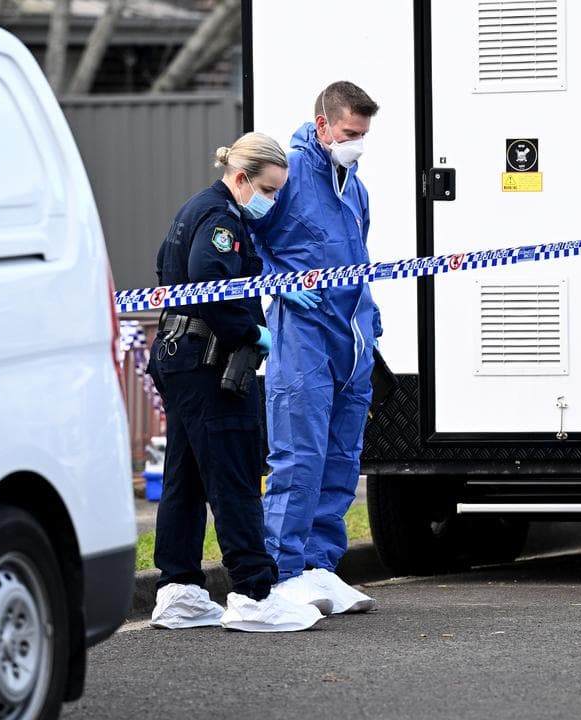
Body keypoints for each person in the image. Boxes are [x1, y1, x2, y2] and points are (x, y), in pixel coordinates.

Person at [147, 132, 323, 633]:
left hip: (181, 356)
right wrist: (252, 331)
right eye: (268, 190)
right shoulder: (223, 219)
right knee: (235, 473)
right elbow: (212, 289)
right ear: (242, 178)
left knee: (186, 476)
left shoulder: (195, 208)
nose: (271, 201)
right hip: (209, 362)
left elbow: (166, 271)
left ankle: (179, 590)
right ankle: (253, 593)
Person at [247, 81, 381, 615]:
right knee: (298, 454)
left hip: (351, 336)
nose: (358, 143)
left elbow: (359, 257)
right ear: (323, 125)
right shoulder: (291, 172)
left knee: (341, 456)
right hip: (303, 330)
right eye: (351, 133)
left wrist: (371, 319)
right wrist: (277, 282)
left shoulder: (354, 186)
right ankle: (283, 573)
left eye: (364, 134)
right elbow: (250, 238)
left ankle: (321, 566)